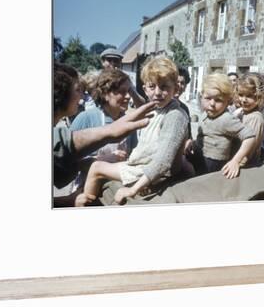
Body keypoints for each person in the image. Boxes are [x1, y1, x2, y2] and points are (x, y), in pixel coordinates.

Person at [82, 56, 189, 205]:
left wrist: (133, 189)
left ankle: (85, 205)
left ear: (176, 89)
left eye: (164, 87)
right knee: (99, 166)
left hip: (151, 171)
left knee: (96, 168)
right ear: (145, 89)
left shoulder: (175, 116)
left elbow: (163, 162)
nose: (157, 92)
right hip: (143, 166)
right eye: (152, 87)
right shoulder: (157, 109)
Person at [52, 63, 156, 207]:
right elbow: (63, 163)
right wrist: (101, 159)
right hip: (85, 189)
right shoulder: (86, 118)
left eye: (129, 92)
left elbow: (133, 156)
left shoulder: (127, 123)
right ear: (106, 94)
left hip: (113, 188)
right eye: (121, 92)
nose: (127, 97)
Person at [185, 73, 255, 177]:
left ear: (228, 102)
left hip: (212, 164)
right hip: (199, 155)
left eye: (218, 100)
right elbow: (209, 135)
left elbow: (250, 137)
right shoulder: (205, 114)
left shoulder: (226, 119)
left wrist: (235, 161)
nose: (212, 104)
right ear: (201, 96)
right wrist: (193, 143)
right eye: (208, 98)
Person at [232, 73, 264, 166]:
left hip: (244, 166)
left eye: (249, 96)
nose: (243, 100)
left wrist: (236, 163)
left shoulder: (255, 118)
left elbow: (249, 151)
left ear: (259, 96)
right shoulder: (241, 112)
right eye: (241, 95)